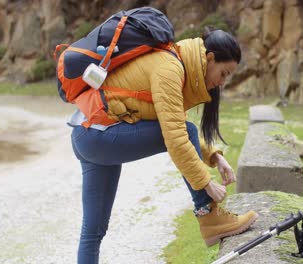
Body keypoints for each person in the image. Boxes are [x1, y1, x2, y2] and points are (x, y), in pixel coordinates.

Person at [69, 27, 258, 263]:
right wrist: (206, 183)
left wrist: (214, 157)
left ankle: (211, 219)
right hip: (99, 134)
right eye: (224, 73)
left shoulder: (172, 62)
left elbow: (172, 123)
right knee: (185, 132)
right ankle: (209, 217)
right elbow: (177, 137)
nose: (222, 83)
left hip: (87, 132)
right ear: (209, 59)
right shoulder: (169, 68)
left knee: (93, 231)